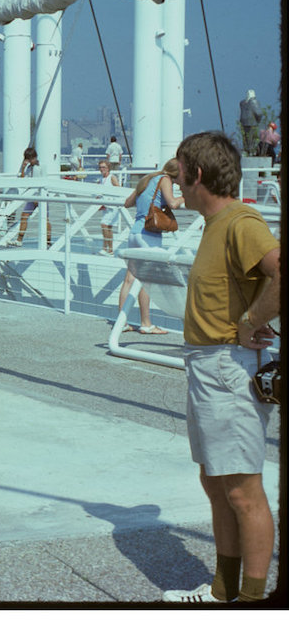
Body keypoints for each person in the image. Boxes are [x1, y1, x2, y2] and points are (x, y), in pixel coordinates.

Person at [162, 131, 281, 604]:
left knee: (242, 490)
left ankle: (253, 604)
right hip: (207, 366)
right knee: (215, 481)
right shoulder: (215, 223)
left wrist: (253, 319)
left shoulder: (239, 221)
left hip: (229, 368)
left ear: (198, 175)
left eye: (180, 172)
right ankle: (222, 591)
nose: (177, 182)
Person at [117, 159, 184, 335]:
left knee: (129, 279)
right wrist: (185, 196)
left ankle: (121, 322)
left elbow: (127, 203)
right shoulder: (165, 180)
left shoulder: (147, 179)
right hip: (149, 235)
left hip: (135, 233)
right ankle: (146, 323)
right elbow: (172, 204)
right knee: (146, 281)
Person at [11, 147, 51, 248]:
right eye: (28, 159)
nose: (30, 161)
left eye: (31, 159)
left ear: (35, 157)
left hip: (41, 196)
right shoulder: (29, 168)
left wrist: (39, 197)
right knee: (24, 216)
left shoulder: (42, 166)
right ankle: (19, 240)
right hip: (31, 196)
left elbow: (45, 181)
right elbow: (23, 180)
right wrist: (23, 168)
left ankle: (48, 241)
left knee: (45, 219)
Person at [97, 160, 121, 255]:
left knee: (104, 224)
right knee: (108, 227)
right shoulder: (101, 179)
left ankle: (104, 247)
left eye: (104, 167)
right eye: (100, 167)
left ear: (108, 168)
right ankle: (110, 250)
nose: (102, 169)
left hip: (112, 206)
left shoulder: (112, 177)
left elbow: (119, 189)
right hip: (106, 206)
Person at [238, 89, 263, 155]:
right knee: (252, 139)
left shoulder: (242, 103)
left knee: (246, 139)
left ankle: (246, 151)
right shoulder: (254, 102)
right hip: (252, 123)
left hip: (244, 122)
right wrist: (258, 120)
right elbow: (259, 113)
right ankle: (251, 152)